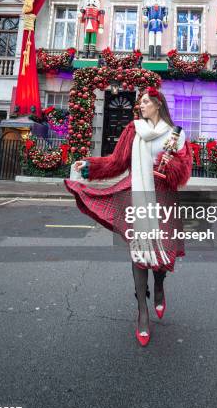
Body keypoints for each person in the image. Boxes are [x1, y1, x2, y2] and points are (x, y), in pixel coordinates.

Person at [64, 87, 193, 346]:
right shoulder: (133, 131)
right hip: (138, 196)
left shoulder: (176, 135)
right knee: (139, 252)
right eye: (140, 103)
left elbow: (185, 171)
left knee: (162, 254)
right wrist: (89, 166)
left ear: (158, 104)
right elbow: (116, 162)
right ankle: (142, 313)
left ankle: (159, 287)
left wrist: (171, 167)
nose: (141, 106)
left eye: (145, 102)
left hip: (164, 199)